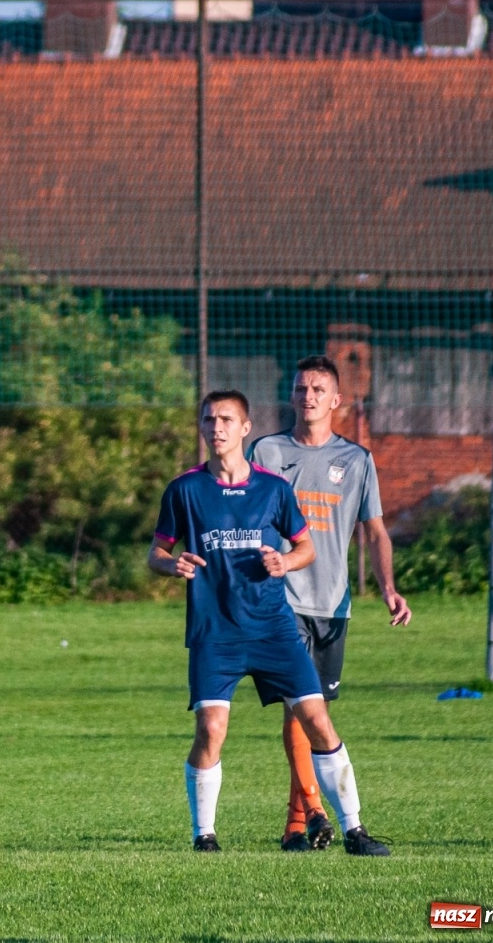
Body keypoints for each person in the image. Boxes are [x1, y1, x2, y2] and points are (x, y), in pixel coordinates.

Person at [148, 390, 389, 855]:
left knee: (318, 719)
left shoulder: (273, 489)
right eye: (208, 419)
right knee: (211, 729)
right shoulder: (184, 489)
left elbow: (306, 548)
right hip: (214, 631)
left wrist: (285, 562)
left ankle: (355, 830)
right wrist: (170, 563)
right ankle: (205, 836)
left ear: (245, 428)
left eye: (225, 419)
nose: (215, 427)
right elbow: (155, 553)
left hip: (273, 628)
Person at [251, 355, 410, 852]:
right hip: (281, 601)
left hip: (333, 604)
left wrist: (387, 588)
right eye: (301, 389)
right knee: (302, 708)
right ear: (292, 396)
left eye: (319, 389)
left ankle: (296, 829)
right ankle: (322, 812)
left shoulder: (357, 461)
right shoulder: (268, 451)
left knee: (309, 710)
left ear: (336, 400)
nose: (309, 396)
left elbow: (375, 531)